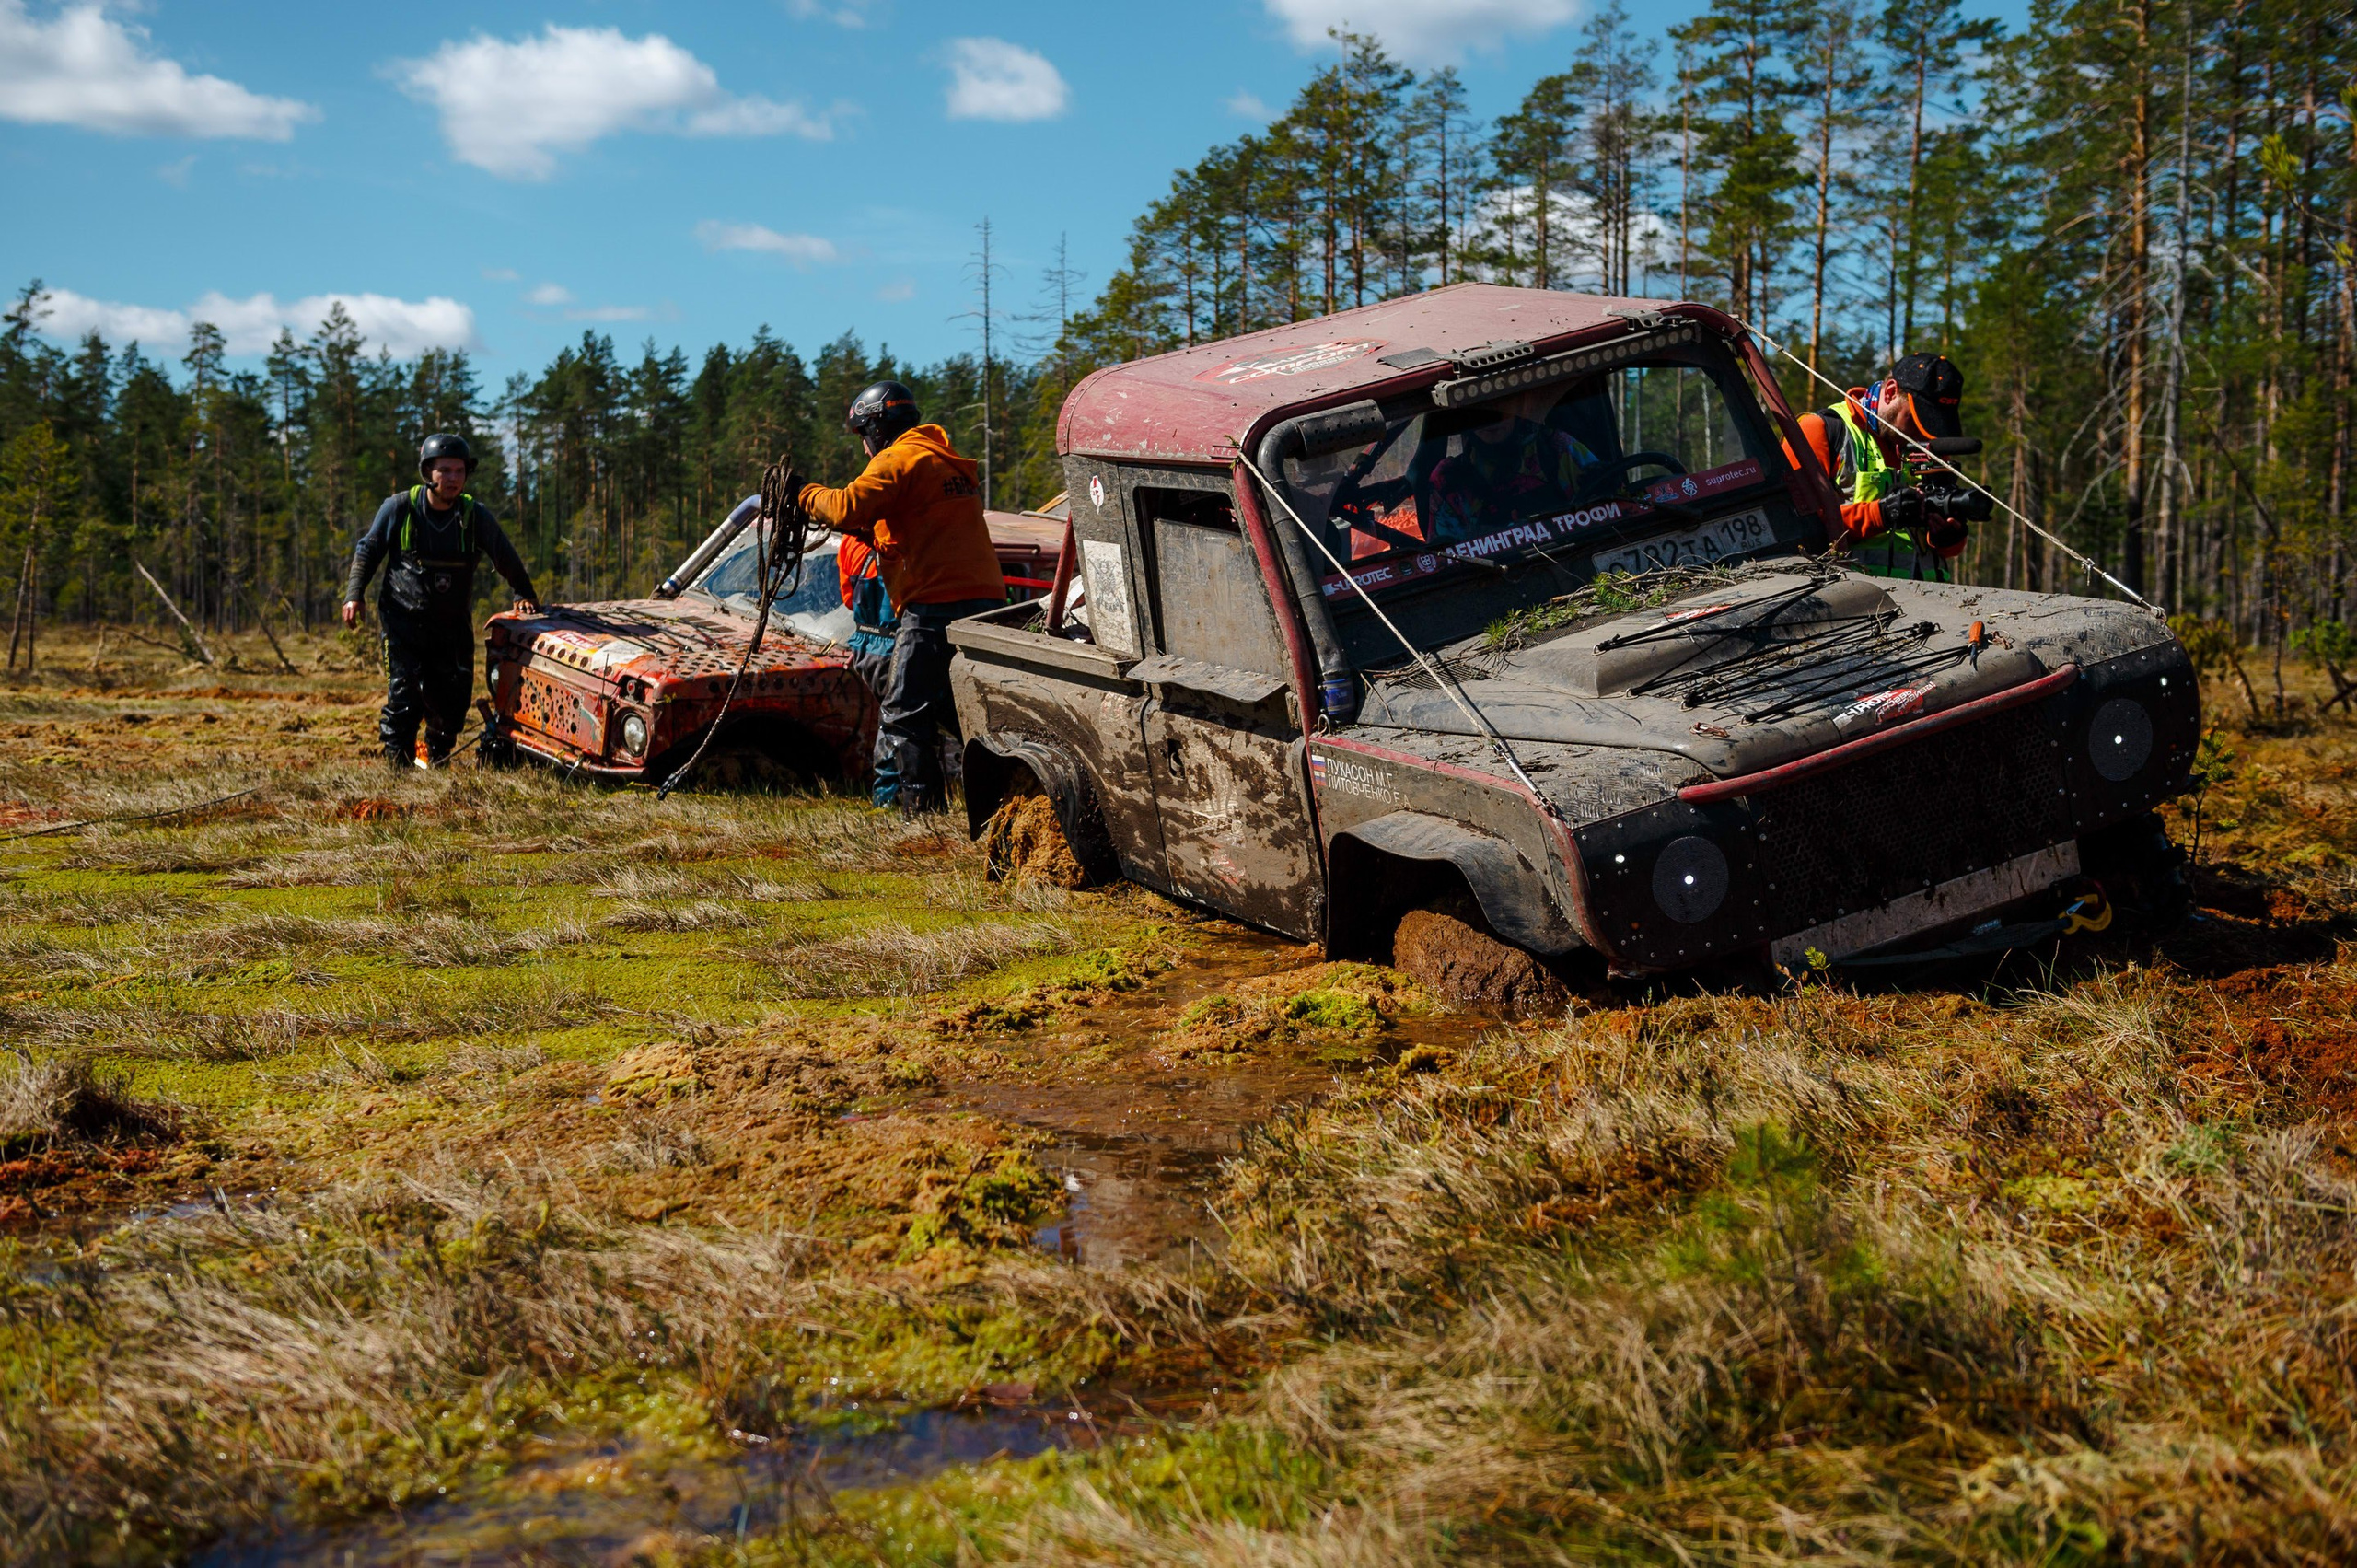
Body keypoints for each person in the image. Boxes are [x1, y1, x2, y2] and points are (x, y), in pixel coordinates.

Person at [785, 382, 1003, 816]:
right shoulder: (941, 460)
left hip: (933, 606)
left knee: (904, 712)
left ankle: (922, 817)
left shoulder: (898, 458)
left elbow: (847, 506)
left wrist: (803, 495)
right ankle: (1002, 798)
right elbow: (921, 527)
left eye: (864, 437)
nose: (865, 450)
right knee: (956, 710)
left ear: (877, 429)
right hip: (984, 603)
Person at [343, 433, 540, 770]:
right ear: (428, 472)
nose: (452, 479)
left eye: (459, 471)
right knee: (405, 698)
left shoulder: (474, 515)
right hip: (402, 622)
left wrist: (524, 592)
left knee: (452, 701)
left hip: (452, 626)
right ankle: (399, 771)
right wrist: (354, 595)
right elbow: (368, 550)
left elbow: (505, 556)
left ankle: (437, 760)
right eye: (444, 471)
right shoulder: (399, 508)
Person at [1790, 352, 1974, 580]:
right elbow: (1795, 529)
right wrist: (1881, 514)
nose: (1921, 434)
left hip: (1934, 604)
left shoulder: (1930, 444)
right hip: (1857, 606)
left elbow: (1943, 552)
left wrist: (1948, 536)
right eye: (1914, 420)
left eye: (1931, 424)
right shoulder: (1819, 430)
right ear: (1890, 392)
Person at [836, 531, 901, 807]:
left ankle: (892, 797)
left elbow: (848, 599)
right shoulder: (900, 539)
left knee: (891, 719)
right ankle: (890, 799)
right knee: (898, 724)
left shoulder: (849, 542)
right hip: (895, 645)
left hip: (865, 646)